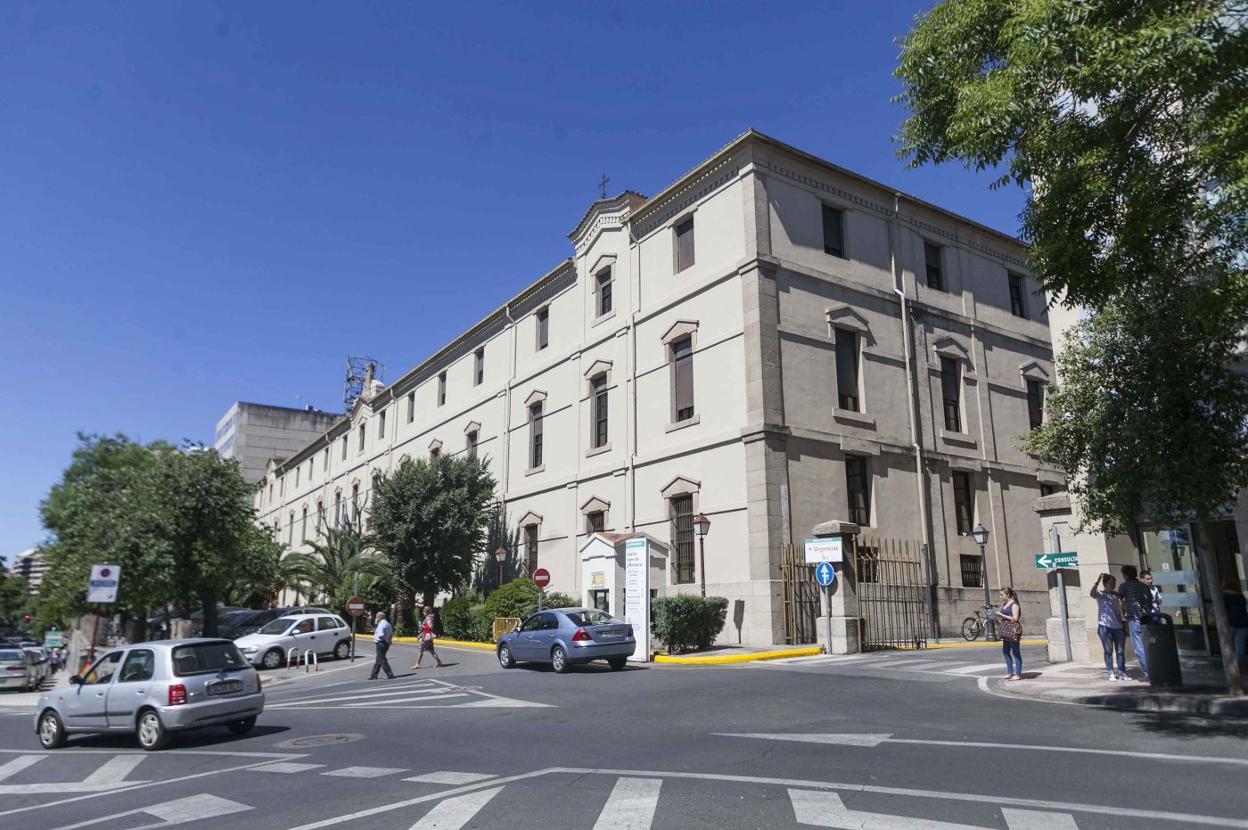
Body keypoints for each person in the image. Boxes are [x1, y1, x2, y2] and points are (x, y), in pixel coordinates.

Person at [1118, 565, 1154, 680]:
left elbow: (1119, 599)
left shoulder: (1124, 586)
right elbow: (1149, 601)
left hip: (1135, 618)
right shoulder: (1144, 586)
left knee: (1139, 648)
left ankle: (1148, 672)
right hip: (1147, 618)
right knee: (1149, 645)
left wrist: (1123, 613)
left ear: (1126, 575)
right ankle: (1155, 668)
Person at [1091, 573, 1127, 681]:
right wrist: (1097, 581)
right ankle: (1111, 672)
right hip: (1105, 626)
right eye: (1110, 583)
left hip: (1118, 626)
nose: (1113, 585)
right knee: (1108, 650)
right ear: (1105, 583)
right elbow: (1092, 594)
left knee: (1120, 650)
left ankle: (1122, 672)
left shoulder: (1117, 595)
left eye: (1114, 583)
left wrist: (1121, 602)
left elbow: (1122, 610)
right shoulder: (1100, 594)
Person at [1220, 577, 1248, 674]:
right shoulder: (1241, 596)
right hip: (1243, 625)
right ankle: (1236, 668)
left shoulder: (1224, 597)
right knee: (1240, 647)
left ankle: (1229, 668)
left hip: (1229, 624)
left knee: (1228, 647)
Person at [996, 587, 1023, 680]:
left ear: (1007, 595)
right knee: (1006, 651)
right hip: (1006, 630)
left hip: (1013, 631)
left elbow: (1015, 618)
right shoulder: (1005, 604)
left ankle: (1018, 674)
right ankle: (1010, 672)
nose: (1000, 596)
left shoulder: (1015, 605)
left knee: (1016, 652)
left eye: (1001, 594)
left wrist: (1002, 615)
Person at [369, 610, 395, 680]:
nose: (375, 618)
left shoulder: (381, 624)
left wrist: (384, 640)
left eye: (376, 617)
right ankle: (374, 675)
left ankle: (389, 674)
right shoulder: (387, 623)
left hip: (381, 643)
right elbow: (390, 634)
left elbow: (380, 635)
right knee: (378, 659)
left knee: (382, 659)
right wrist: (388, 641)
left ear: (379, 617)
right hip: (385, 643)